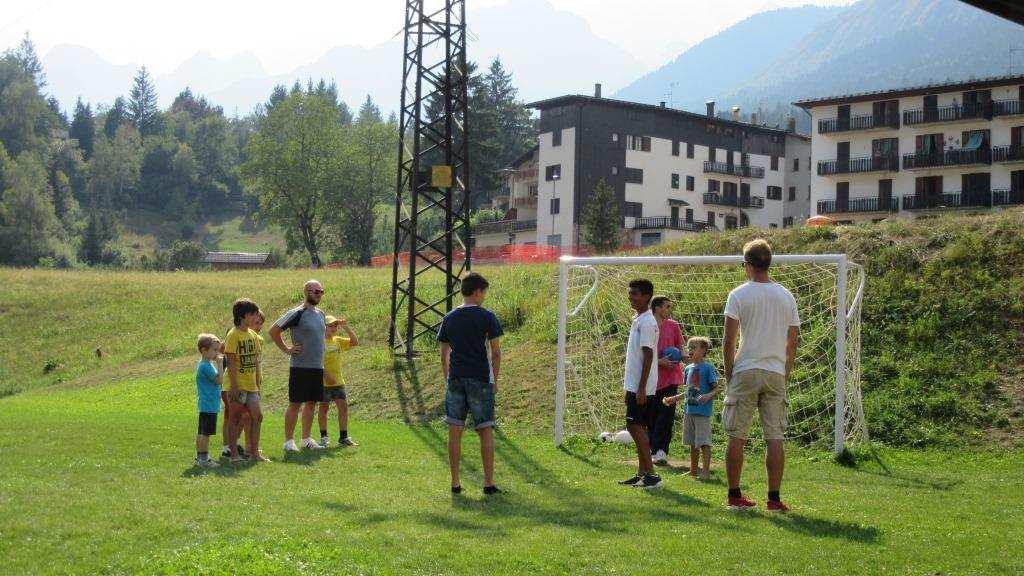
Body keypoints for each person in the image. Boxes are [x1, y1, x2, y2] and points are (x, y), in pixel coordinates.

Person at [721, 239, 800, 512]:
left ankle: (734, 495)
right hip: (775, 372)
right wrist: (785, 371)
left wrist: (729, 371)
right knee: (775, 437)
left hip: (746, 370)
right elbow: (793, 340)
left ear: (747, 265)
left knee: (737, 436)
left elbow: (728, 340)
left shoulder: (739, 294)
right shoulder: (786, 295)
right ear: (769, 263)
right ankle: (774, 499)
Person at [437, 272, 503, 495]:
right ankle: (488, 483)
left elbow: (444, 353)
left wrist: (448, 377)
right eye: (484, 292)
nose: (484, 296)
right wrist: (496, 379)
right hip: (480, 378)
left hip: (455, 378)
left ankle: (455, 483)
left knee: (455, 431)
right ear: (477, 291)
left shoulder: (450, 317)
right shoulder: (487, 316)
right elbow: (496, 352)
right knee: (485, 430)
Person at [271, 280, 328, 453]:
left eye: (321, 291)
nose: (319, 294)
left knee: (311, 403)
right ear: (307, 292)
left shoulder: (321, 314)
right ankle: (288, 442)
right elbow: (274, 330)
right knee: (295, 404)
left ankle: (306, 439)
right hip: (300, 367)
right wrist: (287, 349)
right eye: (316, 291)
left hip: (317, 367)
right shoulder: (297, 313)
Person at [618, 278, 661, 489]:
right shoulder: (638, 319)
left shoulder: (647, 322)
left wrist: (642, 387)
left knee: (634, 425)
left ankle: (652, 475)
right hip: (634, 384)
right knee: (638, 426)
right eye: (630, 292)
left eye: (634, 293)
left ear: (646, 296)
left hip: (642, 386)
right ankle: (642, 473)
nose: (630, 297)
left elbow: (648, 355)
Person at [663, 336, 719, 480]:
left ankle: (705, 472)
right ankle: (693, 470)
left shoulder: (708, 368)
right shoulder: (687, 368)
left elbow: (717, 389)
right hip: (689, 411)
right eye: (689, 348)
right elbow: (689, 391)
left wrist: (707, 396)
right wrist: (673, 398)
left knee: (704, 442)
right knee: (692, 443)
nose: (690, 350)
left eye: (694, 347)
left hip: (702, 413)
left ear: (704, 350)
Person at [224, 299, 269, 463]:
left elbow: (256, 361)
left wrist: (257, 384)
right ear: (243, 316)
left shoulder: (253, 335)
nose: (255, 318)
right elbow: (230, 361)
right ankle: (234, 455)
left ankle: (254, 453)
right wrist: (234, 386)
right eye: (253, 314)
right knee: (234, 419)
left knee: (258, 417)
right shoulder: (233, 334)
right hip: (237, 385)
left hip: (251, 386)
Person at [649, 295, 687, 465]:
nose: (669, 309)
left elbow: (680, 348)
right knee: (652, 414)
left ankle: (661, 451)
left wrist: (687, 358)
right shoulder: (647, 325)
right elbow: (642, 355)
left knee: (666, 414)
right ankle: (652, 449)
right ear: (657, 308)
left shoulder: (673, 325)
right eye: (667, 306)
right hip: (651, 378)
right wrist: (659, 361)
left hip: (671, 377)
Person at [318, 315, 359, 448]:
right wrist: (325, 375)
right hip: (324, 382)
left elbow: (354, 341)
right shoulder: (319, 342)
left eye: (335, 325)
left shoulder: (337, 340)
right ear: (323, 327)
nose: (333, 328)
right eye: (330, 325)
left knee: (343, 408)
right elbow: (316, 362)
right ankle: (324, 437)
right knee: (324, 408)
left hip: (338, 381)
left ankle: (343, 437)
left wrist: (345, 326)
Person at [195, 334, 224, 468]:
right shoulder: (206, 366)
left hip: (209, 404)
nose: (216, 353)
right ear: (204, 350)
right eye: (214, 350)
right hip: (208, 405)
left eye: (217, 350)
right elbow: (219, 381)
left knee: (204, 432)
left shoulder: (206, 364)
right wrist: (220, 364)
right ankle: (203, 459)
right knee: (204, 433)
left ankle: (202, 457)